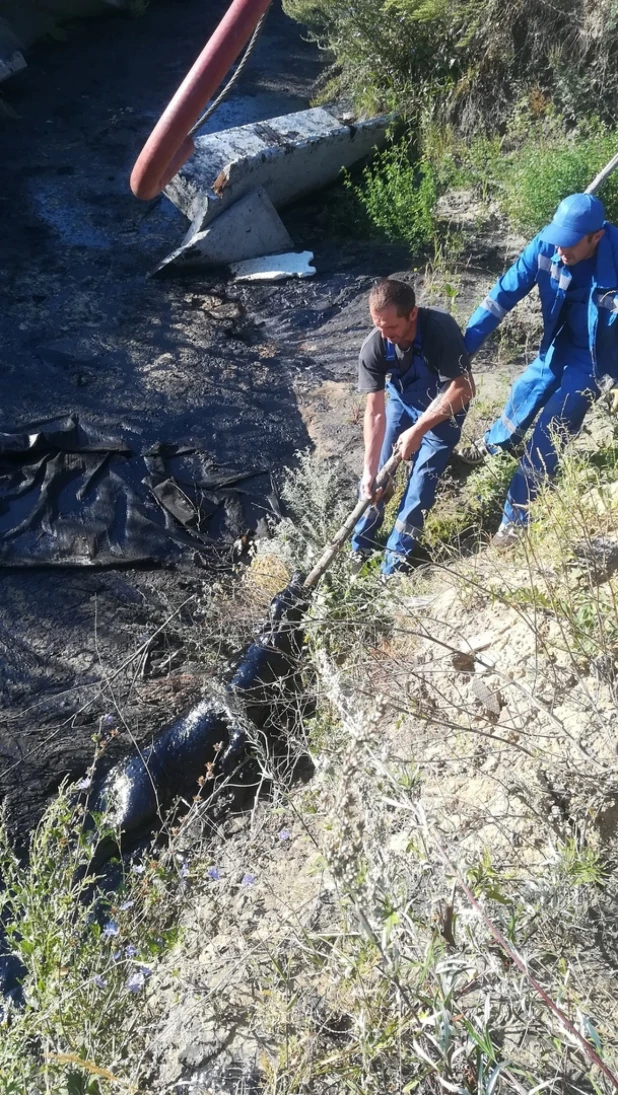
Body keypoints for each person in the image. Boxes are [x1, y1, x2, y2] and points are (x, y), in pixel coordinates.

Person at [459, 192, 618, 546]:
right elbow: (500, 297)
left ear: (598, 237)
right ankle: (493, 445)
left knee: (549, 432)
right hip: (558, 344)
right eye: (558, 241)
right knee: (525, 391)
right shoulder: (546, 246)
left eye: (571, 246)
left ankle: (515, 522)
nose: (561, 252)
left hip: (595, 359)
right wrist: (461, 352)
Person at [350, 277, 474, 575]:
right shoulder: (375, 345)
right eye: (378, 325)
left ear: (413, 314)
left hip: (445, 409)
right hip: (402, 402)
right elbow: (376, 412)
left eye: (391, 326)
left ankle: (394, 565)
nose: (384, 333)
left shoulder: (440, 330)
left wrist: (418, 431)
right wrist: (369, 471)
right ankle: (360, 546)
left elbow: (464, 387)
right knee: (374, 483)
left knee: (419, 487)